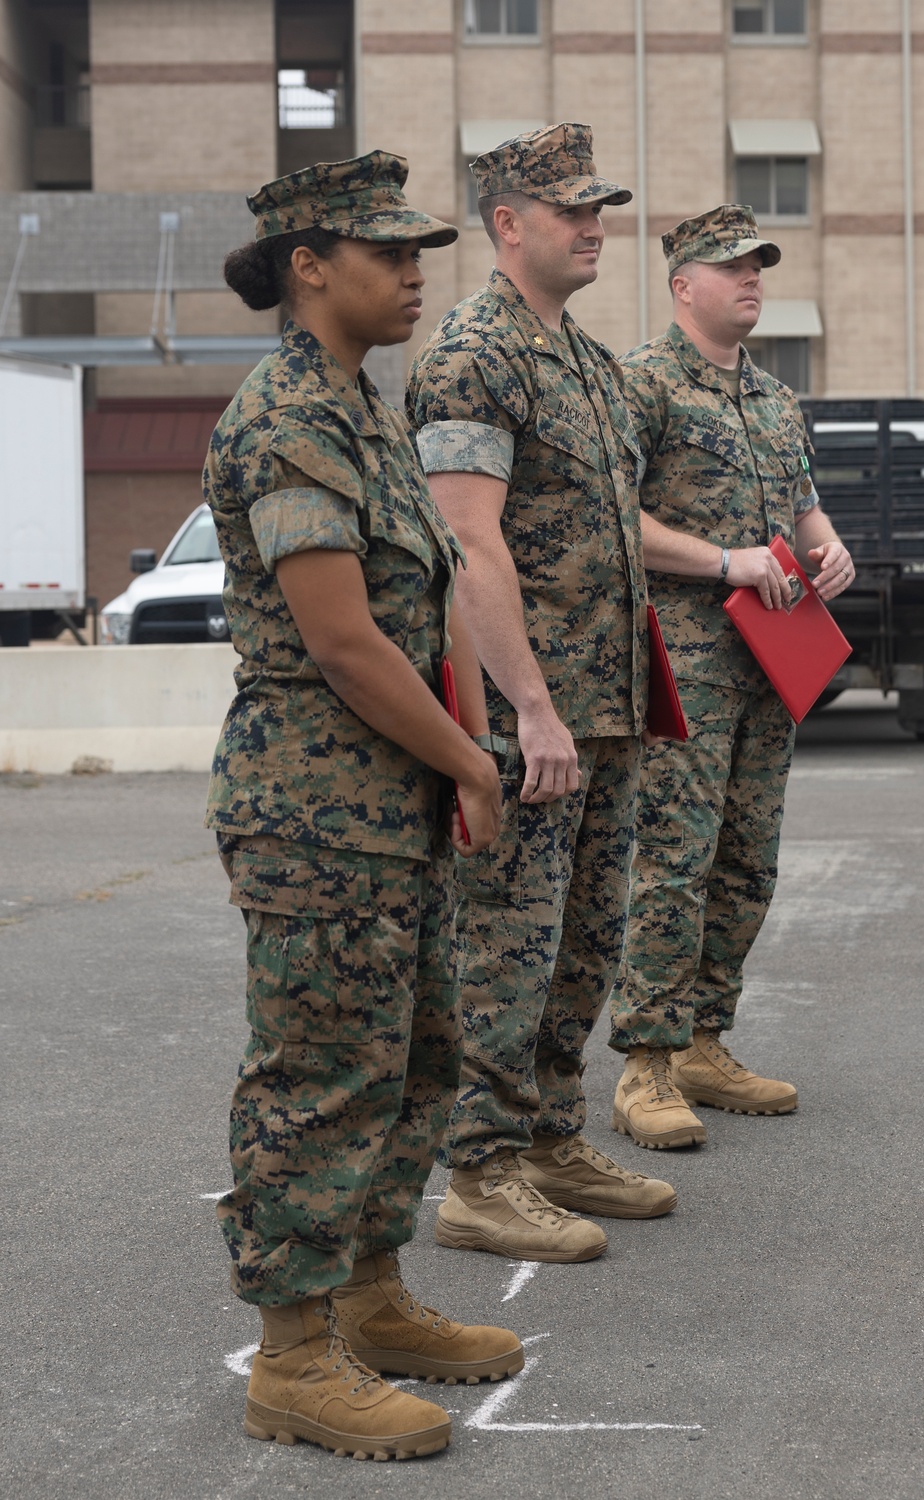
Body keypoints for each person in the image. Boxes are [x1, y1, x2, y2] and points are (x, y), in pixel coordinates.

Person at [205, 152, 523, 1464]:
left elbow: (428, 595)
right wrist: (472, 759)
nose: (413, 272)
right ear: (308, 266)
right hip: (312, 810)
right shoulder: (286, 410)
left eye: (416, 251)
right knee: (324, 1074)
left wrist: (461, 745)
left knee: (419, 1057)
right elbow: (341, 641)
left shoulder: (363, 403)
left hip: (387, 805)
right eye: (386, 251)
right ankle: (292, 1357)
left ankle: (371, 1296)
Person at [406, 123, 676, 1265]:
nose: (593, 223)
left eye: (598, 204)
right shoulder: (476, 353)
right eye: (569, 208)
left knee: (584, 943)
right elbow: (468, 546)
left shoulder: (591, 364)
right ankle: (478, 1171)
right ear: (506, 223)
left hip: (604, 710)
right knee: (506, 946)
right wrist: (528, 706)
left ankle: (553, 1137)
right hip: (534, 717)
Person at [609, 205, 854, 1150]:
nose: (752, 279)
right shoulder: (642, 386)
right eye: (731, 266)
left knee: (748, 859)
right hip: (685, 661)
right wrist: (725, 562)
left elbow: (804, 509)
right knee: (674, 856)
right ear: (683, 286)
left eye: (759, 265)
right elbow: (613, 521)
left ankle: (707, 1040)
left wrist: (826, 553)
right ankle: (647, 1065)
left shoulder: (774, 399)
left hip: (772, 657)